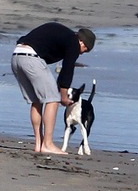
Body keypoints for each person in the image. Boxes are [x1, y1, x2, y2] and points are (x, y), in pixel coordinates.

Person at [11, 22, 96, 155]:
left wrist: (59, 88)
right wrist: (62, 97)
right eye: (86, 49)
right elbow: (67, 70)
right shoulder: (73, 43)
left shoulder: (64, 36)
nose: (83, 53)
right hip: (32, 59)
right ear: (82, 42)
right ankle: (48, 144)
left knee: (37, 100)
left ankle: (39, 144)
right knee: (53, 99)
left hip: (17, 56)